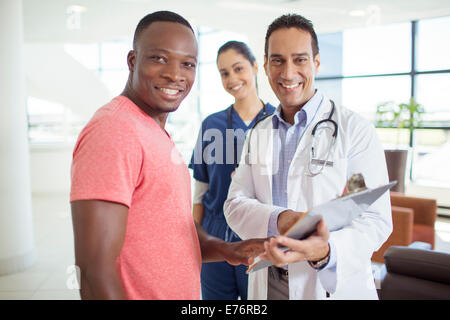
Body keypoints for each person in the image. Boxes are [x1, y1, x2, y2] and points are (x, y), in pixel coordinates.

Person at [70, 11, 265, 300]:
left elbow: (172, 231)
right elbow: (94, 270)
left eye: (187, 64)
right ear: (132, 61)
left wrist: (227, 249)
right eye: (159, 58)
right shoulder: (113, 130)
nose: (175, 74)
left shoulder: (153, 131)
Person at [223, 13, 392, 300]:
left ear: (315, 63)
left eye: (300, 59)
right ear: (265, 66)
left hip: (329, 282)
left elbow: (375, 218)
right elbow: (234, 204)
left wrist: (326, 250)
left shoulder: (353, 130)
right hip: (269, 282)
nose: (288, 73)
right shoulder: (259, 133)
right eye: (277, 60)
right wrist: (282, 219)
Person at [189, 41, 275, 300]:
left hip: (258, 236)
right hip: (215, 236)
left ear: (255, 67)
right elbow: (199, 192)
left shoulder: (278, 122)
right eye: (224, 73)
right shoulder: (211, 125)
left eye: (238, 69)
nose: (232, 79)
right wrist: (195, 242)